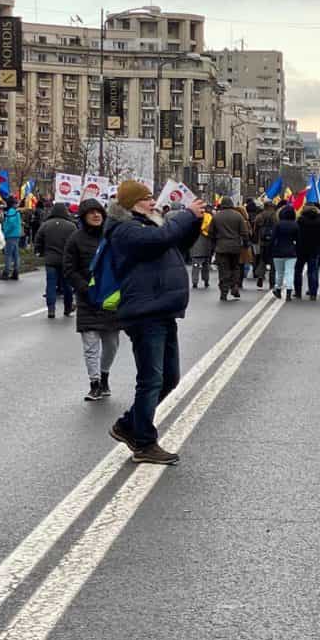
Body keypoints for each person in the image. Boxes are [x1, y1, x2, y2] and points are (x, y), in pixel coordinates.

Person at [105, 180, 205, 465]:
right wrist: (185, 214)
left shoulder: (149, 225)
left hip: (161, 309)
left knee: (169, 378)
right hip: (144, 313)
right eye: (147, 199)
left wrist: (194, 221)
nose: (153, 203)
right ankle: (144, 444)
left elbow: (177, 243)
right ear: (131, 203)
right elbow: (158, 242)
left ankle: (127, 426)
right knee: (150, 380)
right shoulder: (125, 230)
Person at [63, 196, 119, 402]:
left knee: (112, 344)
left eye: (98, 212)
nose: (96, 215)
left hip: (110, 299)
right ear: (83, 216)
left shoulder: (112, 236)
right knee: (91, 345)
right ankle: (94, 383)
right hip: (87, 300)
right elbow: (69, 268)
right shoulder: (75, 239)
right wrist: (84, 288)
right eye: (91, 212)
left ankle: (104, 375)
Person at [34, 200, 77, 318]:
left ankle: (51, 309)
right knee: (67, 285)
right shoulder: (71, 226)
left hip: (50, 260)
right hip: (66, 260)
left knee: (51, 285)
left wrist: (40, 251)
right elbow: (75, 243)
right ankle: (68, 308)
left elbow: (38, 239)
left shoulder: (45, 225)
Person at [210, 198, 249, 301]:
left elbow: (211, 233)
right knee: (235, 267)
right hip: (235, 247)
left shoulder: (216, 216)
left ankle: (224, 291)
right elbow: (244, 232)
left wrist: (214, 245)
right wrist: (245, 244)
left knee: (223, 269)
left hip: (221, 247)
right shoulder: (238, 216)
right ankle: (234, 285)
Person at [294, 202, 320, 299]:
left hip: (301, 249)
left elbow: (296, 234)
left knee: (298, 270)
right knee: (313, 271)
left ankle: (298, 291)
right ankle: (313, 293)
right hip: (314, 249)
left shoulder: (300, 221)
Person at [270, 204, 299, 300]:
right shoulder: (295, 225)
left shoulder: (278, 224)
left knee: (279, 272)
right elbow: (298, 239)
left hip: (278, 251)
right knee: (290, 272)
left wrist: (271, 249)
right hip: (291, 251)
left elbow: (273, 238)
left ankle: (278, 289)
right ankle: (289, 293)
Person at [189, 203, 215, 290]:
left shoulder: (194, 218)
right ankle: (206, 281)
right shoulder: (209, 218)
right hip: (206, 245)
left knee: (195, 265)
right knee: (206, 265)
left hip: (195, 245)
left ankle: (195, 282)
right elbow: (212, 231)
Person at [251, 201, 275, 291]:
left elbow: (255, 229)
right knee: (273, 263)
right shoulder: (275, 216)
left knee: (262, 260)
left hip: (262, 242)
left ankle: (260, 276)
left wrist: (256, 240)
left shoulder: (259, 216)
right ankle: (272, 283)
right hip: (272, 243)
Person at [1, 197, 24, 280]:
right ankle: (16, 272)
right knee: (16, 255)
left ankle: (6, 273)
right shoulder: (16, 212)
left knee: (8, 255)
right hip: (16, 234)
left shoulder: (10, 212)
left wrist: (4, 233)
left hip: (10, 235)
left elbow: (10, 224)